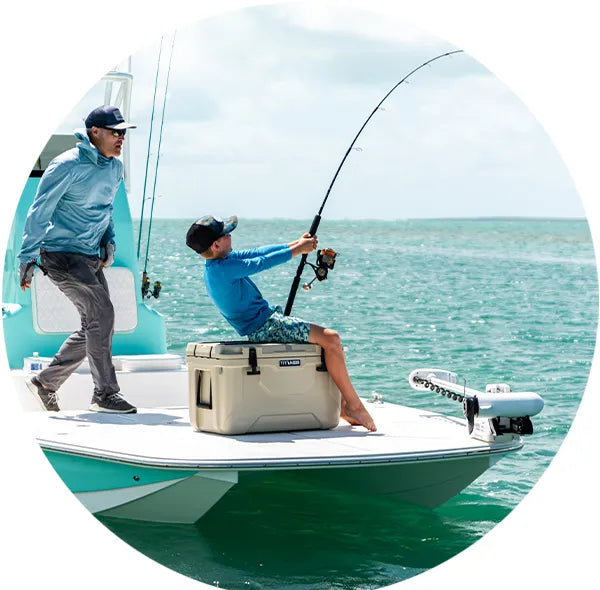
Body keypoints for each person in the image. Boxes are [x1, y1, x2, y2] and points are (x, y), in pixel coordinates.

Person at [185, 215, 377, 432]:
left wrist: (295, 243)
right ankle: (352, 405)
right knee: (330, 338)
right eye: (226, 234)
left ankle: (343, 403)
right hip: (265, 327)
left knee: (324, 340)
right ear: (216, 244)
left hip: (267, 322)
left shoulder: (220, 262)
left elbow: (257, 252)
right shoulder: (222, 269)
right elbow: (260, 263)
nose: (230, 235)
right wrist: (298, 250)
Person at [17, 105, 138, 414]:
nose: (120, 138)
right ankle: (105, 393)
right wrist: (28, 257)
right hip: (60, 256)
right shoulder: (66, 165)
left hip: (89, 257)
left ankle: (45, 383)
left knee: (97, 324)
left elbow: (106, 209)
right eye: (115, 132)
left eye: (123, 132)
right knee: (103, 315)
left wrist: (108, 242)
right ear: (94, 132)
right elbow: (39, 211)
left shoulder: (114, 168)